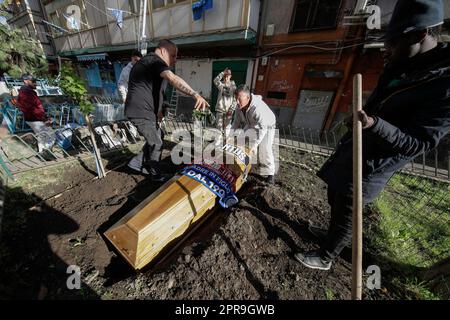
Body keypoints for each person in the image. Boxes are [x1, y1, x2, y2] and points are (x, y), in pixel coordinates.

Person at [294, 0, 450, 271]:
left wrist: (374, 124)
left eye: (393, 42)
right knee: (335, 195)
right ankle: (329, 235)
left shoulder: (443, 87)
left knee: (347, 209)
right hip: (357, 146)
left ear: (419, 35)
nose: (386, 50)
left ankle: (327, 257)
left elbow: (418, 143)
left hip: (373, 165)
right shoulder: (404, 65)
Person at [125, 39, 209, 181]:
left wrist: (161, 110)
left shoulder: (153, 66)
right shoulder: (154, 61)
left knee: (158, 135)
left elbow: (157, 92)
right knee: (156, 142)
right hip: (140, 111)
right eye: (174, 55)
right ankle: (155, 174)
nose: (175, 59)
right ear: (163, 51)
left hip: (147, 111)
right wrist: (195, 94)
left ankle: (137, 163)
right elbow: (172, 78)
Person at [231, 85, 276, 184]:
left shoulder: (258, 108)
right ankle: (239, 166)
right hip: (252, 123)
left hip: (267, 126)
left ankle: (270, 174)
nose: (237, 102)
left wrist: (255, 146)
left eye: (239, 99)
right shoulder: (239, 106)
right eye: (236, 99)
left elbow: (262, 129)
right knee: (239, 142)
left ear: (248, 97)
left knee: (265, 149)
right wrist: (230, 137)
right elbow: (235, 122)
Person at [16, 74, 55, 154]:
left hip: (33, 118)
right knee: (50, 135)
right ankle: (45, 153)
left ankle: (43, 153)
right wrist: (44, 119)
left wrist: (44, 117)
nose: (35, 83)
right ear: (25, 81)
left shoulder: (27, 92)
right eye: (33, 81)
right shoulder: (26, 93)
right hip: (35, 119)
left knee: (42, 135)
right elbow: (33, 109)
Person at [213, 68, 236, 138]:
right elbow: (215, 80)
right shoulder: (221, 85)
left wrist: (231, 109)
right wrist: (222, 73)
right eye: (225, 75)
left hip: (229, 111)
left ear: (230, 76)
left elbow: (235, 99)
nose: (226, 77)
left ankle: (225, 143)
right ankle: (217, 144)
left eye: (227, 75)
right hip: (220, 110)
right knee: (219, 129)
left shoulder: (233, 86)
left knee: (227, 129)